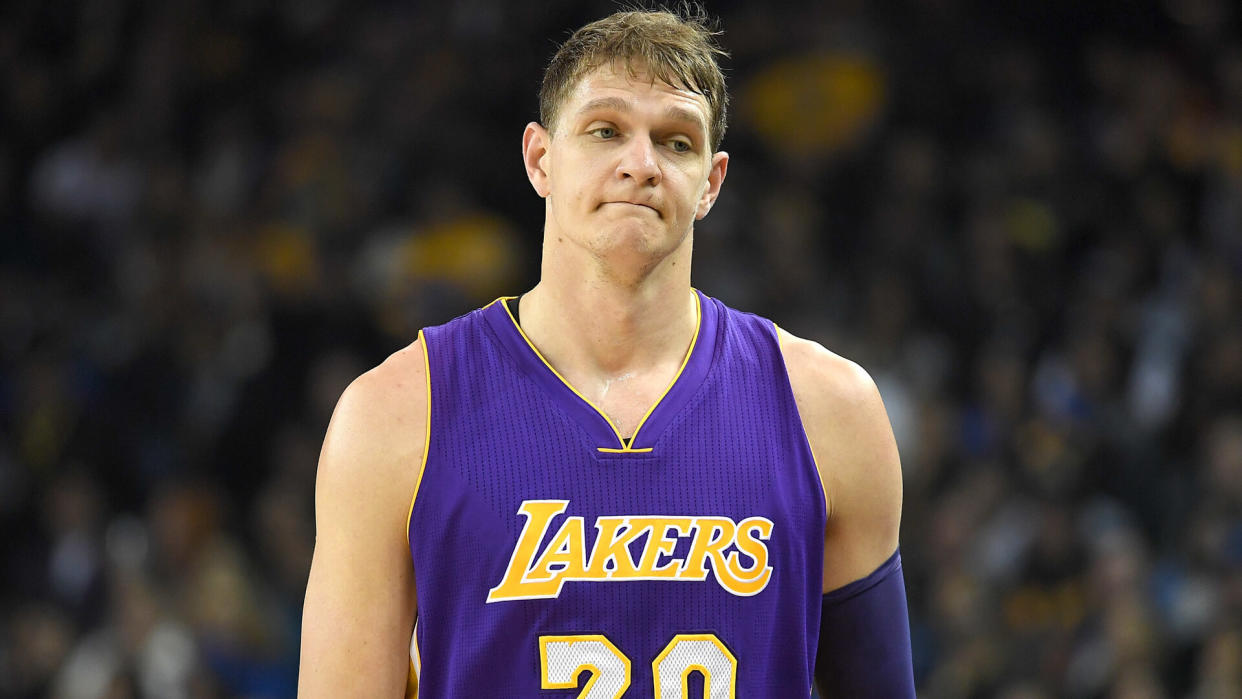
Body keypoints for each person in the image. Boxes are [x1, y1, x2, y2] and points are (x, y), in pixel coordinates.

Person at [299, 8, 914, 697]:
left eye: (676, 143)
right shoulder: (394, 415)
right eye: (605, 130)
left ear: (710, 183)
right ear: (540, 160)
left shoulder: (831, 411)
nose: (641, 165)